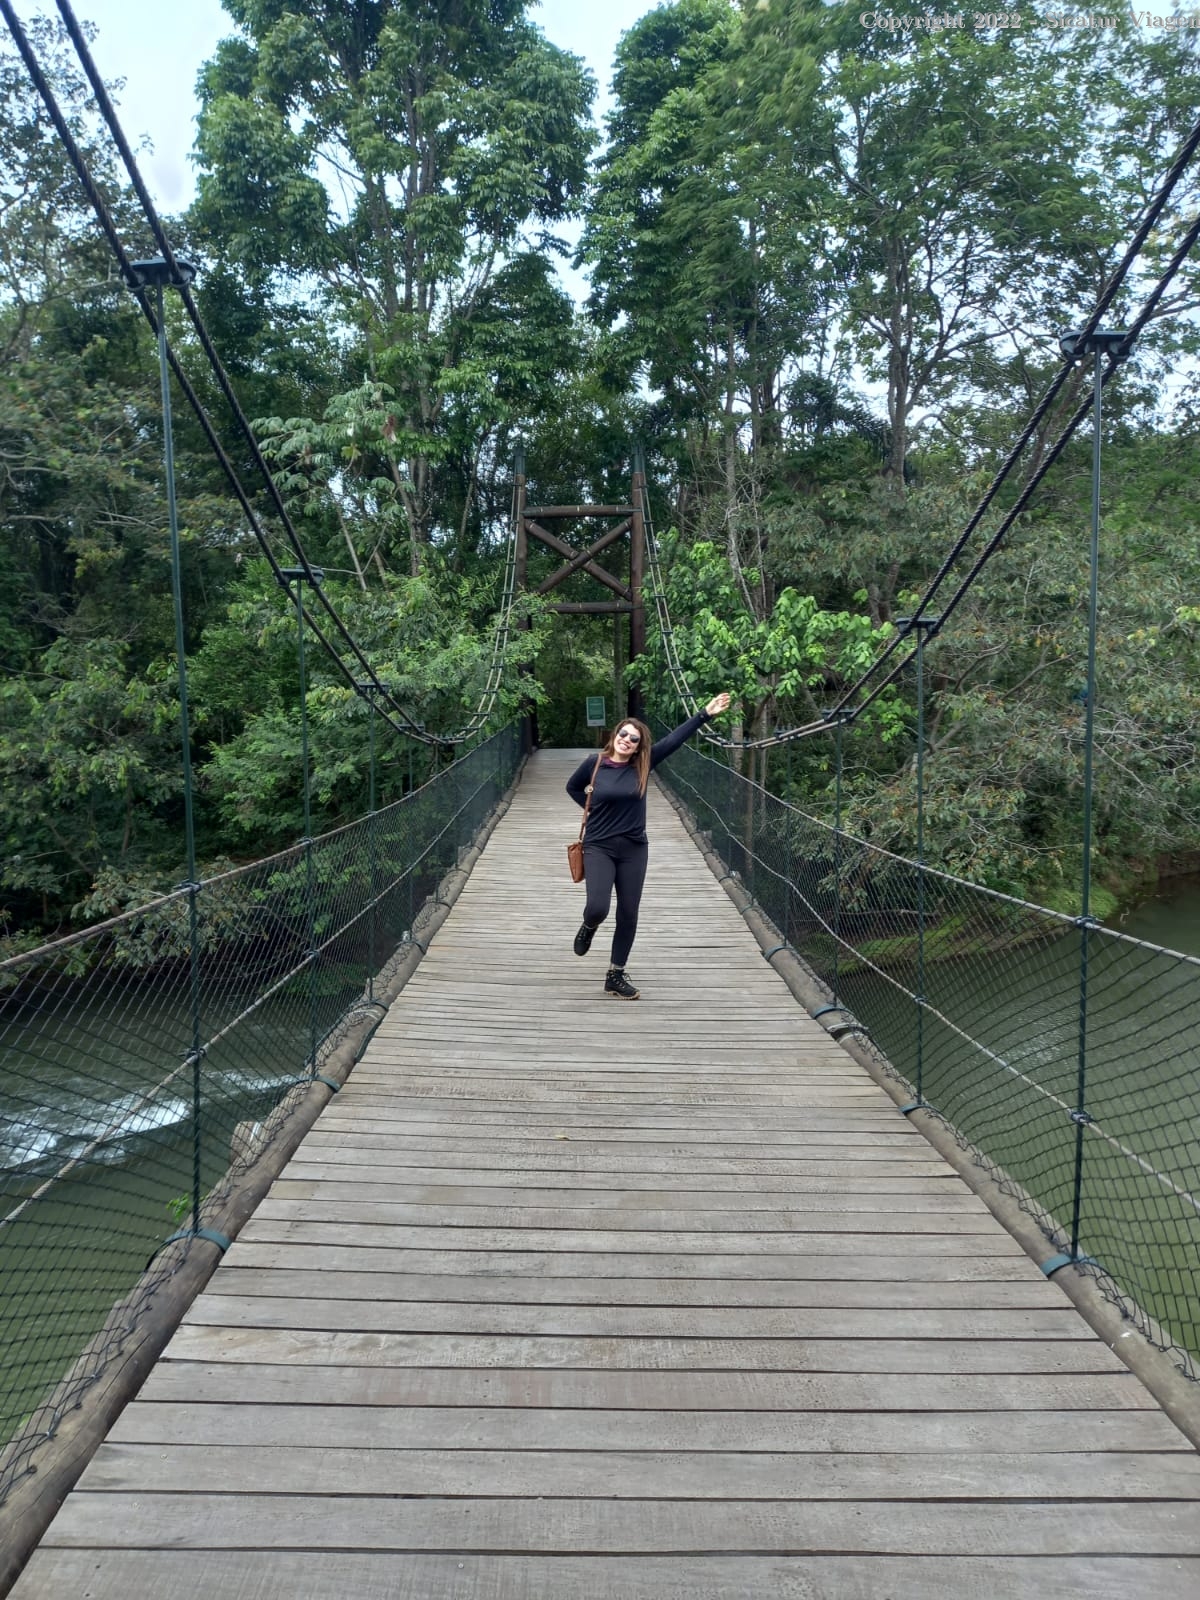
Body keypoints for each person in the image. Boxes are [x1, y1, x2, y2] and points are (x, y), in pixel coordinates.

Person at [566, 693, 732, 999]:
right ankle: (589, 926)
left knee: (629, 912)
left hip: (634, 849)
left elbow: (674, 740)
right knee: (598, 907)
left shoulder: (642, 765)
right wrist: (590, 809)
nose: (626, 740)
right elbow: (573, 788)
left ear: (639, 746)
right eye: (623, 734)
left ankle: (615, 974)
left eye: (634, 739)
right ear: (614, 735)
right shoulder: (595, 764)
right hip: (598, 846)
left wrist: (705, 714)